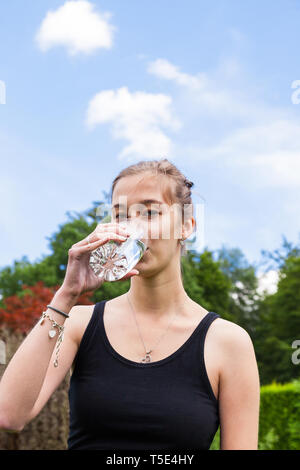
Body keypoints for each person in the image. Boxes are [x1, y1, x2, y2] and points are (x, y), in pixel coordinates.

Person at [0, 158, 260, 450]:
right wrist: (67, 294)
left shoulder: (228, 342)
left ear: (186, 226)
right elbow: (9, 415)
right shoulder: (79, 324)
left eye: (150, 212)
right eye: (121, 215)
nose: (132, 226)